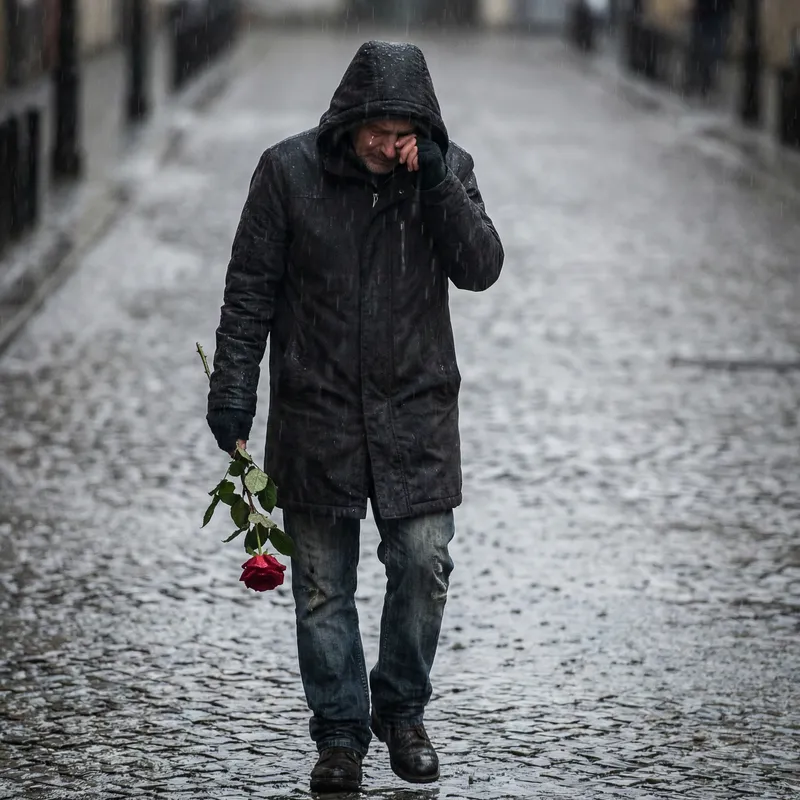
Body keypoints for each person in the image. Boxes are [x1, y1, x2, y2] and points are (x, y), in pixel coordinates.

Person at [206, 40, 503, 793]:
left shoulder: (446, 169)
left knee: (424, 563)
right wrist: (233, 394)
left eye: (405, 130)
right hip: (318, 412)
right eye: (378, 128)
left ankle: (402, 712)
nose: (389, 143)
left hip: (416, 413)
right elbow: (248, 294)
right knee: (320, 586)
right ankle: (339, 733)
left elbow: (481, 268)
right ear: (349, 118)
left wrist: (434, 180)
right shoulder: (287, 173)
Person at [687, 0, 736, 97]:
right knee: (705, 51)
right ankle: (702, 80)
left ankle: (703, 80)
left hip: (711, 17)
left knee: (707, 51)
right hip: (708, 16)